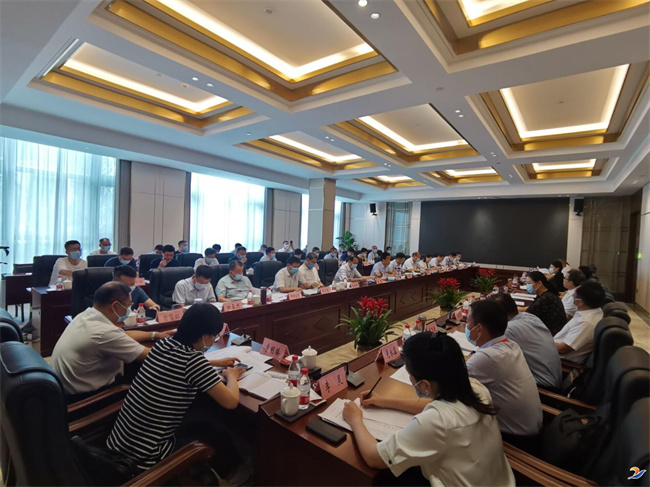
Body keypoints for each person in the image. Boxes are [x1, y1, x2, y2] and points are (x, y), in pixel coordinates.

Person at [342, 333, 514, 486]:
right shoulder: (476, 389)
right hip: (500, 480)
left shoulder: (437, 422)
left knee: (385, 477)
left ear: (425, 385)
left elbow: (374, 458)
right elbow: (429, 405)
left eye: (410, 374)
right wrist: (384, 401)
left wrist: (355, 419)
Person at [106, 304, 246, 480]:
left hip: (120, 443)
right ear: (205, 337)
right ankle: (237, 477)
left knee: (201, 417)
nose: (214, 340)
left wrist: (215, 363)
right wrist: (232, 376)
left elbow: (180, 362)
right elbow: (231, 402)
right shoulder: (193, 361)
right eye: (215, 336)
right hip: (145, 458)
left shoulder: (163, 344)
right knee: (218, 433)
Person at [51, 282, 173, 398]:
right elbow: (148, 355)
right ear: (115, 306)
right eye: (128, 306)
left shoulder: (86, 315)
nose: (129, 309)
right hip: (87, 398)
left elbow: (122, 335)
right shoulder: (104, 333)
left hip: (66, 389)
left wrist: (155, 335)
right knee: (148, 381)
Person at [465, 300, 543, 438]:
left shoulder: (488, 358)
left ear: (479, 329)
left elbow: (447, 385)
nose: (466, 326)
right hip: (533, 427)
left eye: (467, 322)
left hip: (514, 438)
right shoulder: (511, 345)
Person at [490, 293, 562, 389]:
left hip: (542, 386)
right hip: (554, 377)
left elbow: (494, 359)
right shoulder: (530, 317)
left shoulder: (509, 329)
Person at [554, 280, 606, 364]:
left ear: (580, 302)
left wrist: (542, 343)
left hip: (558, 361)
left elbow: (562, 349)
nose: (572, 296)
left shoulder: (586, 322)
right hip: (553, 350)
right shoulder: (593, 311)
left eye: (574, 296)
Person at [523, 271, 567, 335]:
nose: (528, 286)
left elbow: (526, 314)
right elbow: (531, 308)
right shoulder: (547, 294)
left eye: (529, 283)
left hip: (550, 334)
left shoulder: (546, 298)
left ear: (539, 283)